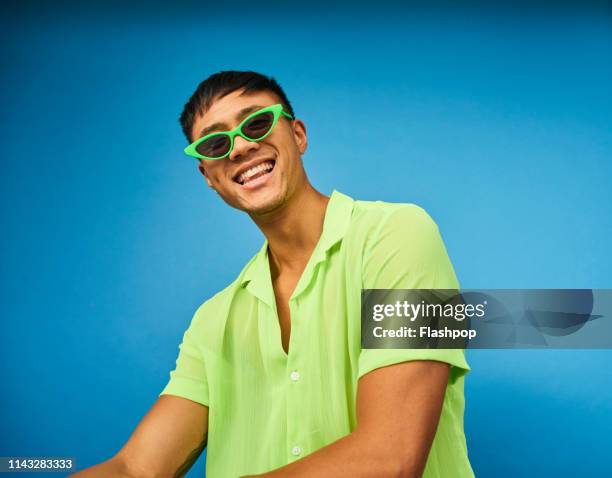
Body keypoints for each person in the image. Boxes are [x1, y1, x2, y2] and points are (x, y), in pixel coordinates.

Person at [72, 70, 474, 478]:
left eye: (257, 122)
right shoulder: (213, 322)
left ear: (298, 135)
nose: (241, 147)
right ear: (209, 177)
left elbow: (392, 457)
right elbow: (135, 469)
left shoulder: (404, 233)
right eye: (215, 143)